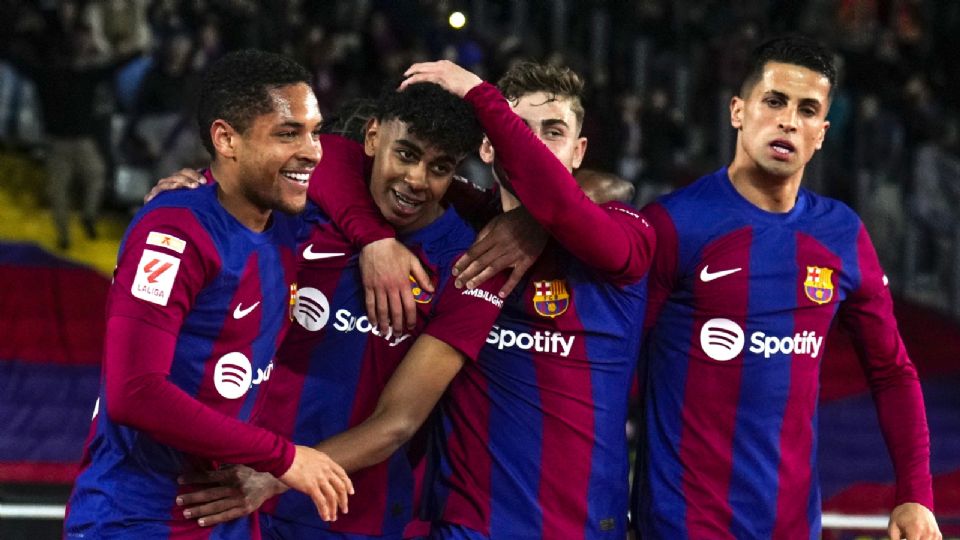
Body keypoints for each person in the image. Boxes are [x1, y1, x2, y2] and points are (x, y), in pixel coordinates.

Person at [288, 59, 655, 539]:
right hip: (464, 525)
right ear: (489, 145)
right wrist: (374, 238)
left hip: (579, 526)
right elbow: (335, 156)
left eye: (554, 132)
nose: (536, 146)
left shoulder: (628, 234)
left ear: (579, 150)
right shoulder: (467, 220)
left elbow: (575, 201)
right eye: (518, 130)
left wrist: (480, 95)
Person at [145, 82, 505, 539]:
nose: (417, 179)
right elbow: (307, 157)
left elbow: (398, 421)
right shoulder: (305, 203)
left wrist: (274, 476)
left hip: (355, 514)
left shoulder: (468, 264)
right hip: (238, 495)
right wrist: (191, 192)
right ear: (372, 139)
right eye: (407, 154)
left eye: (439, 168)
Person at [629, 35, 941, 539]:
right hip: (682, 526)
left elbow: (892, 371)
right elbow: (612, 368)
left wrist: (915, 493)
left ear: (821, 132)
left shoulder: (841, 234)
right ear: (737, 111)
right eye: (774, 101)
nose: (788, 120)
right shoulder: (673, 225)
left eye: (807, 110)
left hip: (791, 527)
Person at [64, 49, 352, 539]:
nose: (313, 150)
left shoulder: (287, 223)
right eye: (288, 133)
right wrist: (284, 457)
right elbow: (134, 394)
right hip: (138, 518)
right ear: (226, 139)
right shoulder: (174, 230)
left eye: (315, 131)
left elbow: (372, 167)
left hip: (228, 517)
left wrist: (384, 242)